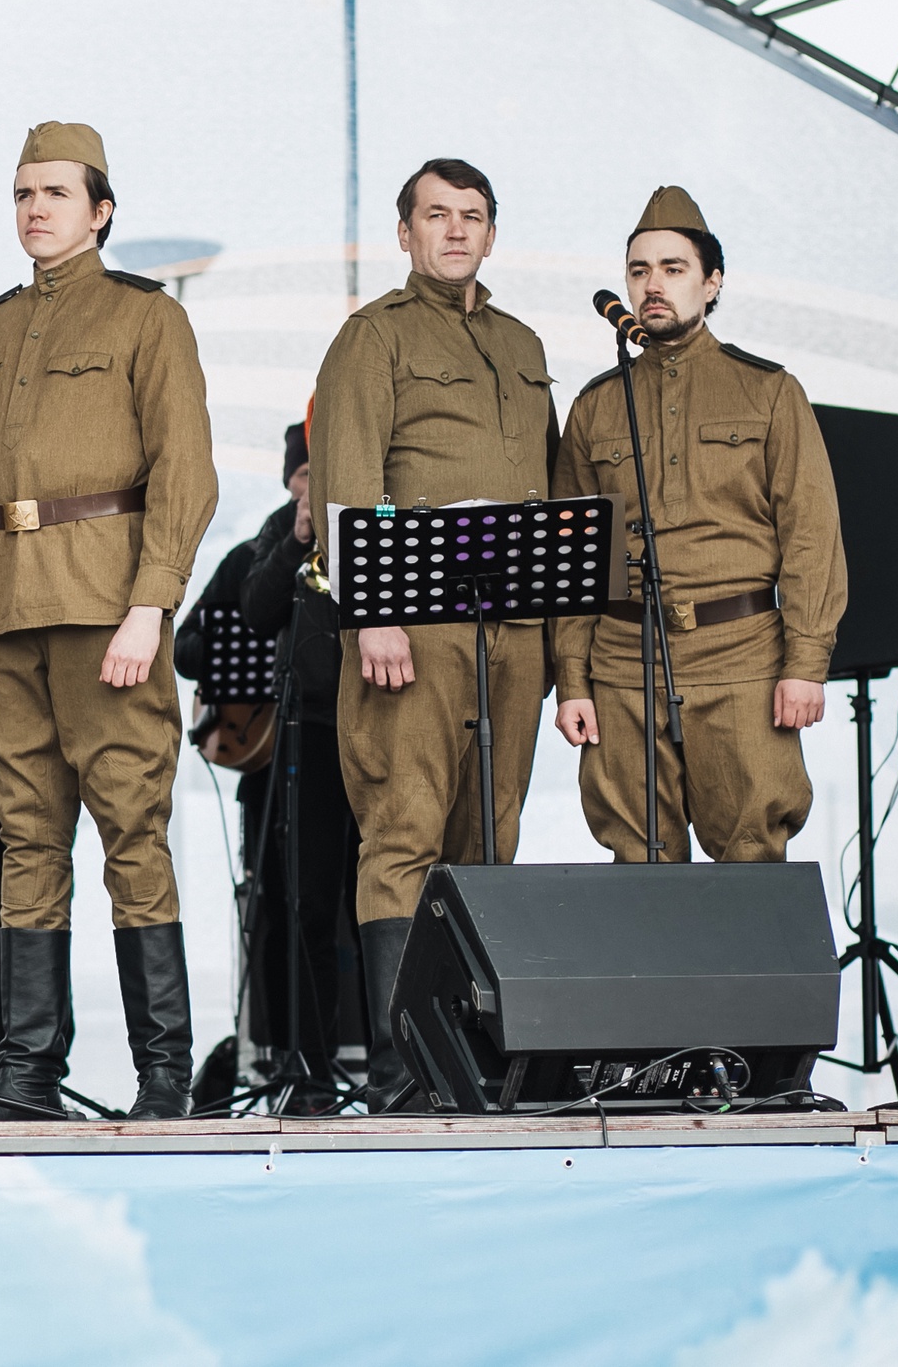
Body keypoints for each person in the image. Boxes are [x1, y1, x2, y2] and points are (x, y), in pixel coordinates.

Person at [0, 121, 218, 1120]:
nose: (34, 209)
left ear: (99, 211)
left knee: (132, 837)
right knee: (24, 842)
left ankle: (164, 1076)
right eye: (20, 193)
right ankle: (27, 1071)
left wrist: (150, 606)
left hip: (106, 613)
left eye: (53, 192)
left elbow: (186, 475)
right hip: (2, 614)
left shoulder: (146, 320)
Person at [309, 157, 558, 1110]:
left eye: (474, 216)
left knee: (490, 840)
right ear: (405, 233)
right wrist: (374, 612)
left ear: (492, 234)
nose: (456, 231)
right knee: (404, 833)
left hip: (512, 629)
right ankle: (403, 1073)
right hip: (411, 629)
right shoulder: (373, 337)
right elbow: (346, 474)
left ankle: (480, 1066)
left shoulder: (524, 343)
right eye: (437, 216)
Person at [551, 186, 847, 861]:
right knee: (638, 862)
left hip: (742, 654)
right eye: (638, 270)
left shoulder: (769, 390)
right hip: (623, 662)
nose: (652, 285)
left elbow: (812, 533)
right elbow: (572, 558)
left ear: (711, 283)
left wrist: (806, 663)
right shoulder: (595, 406)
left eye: (673, 268)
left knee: (750, 857)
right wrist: (573, 678)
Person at [231, 419, 358, 1112]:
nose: (314, 483)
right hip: (306, 731)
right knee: (306, 902)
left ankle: (399, 1062)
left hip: (375, 727)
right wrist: (300, 535)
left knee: (374, 899)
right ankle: (308, 1065)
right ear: (291, 479)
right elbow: (252, 607)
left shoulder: (375, 514)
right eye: (306, 473)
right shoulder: (282, 527)